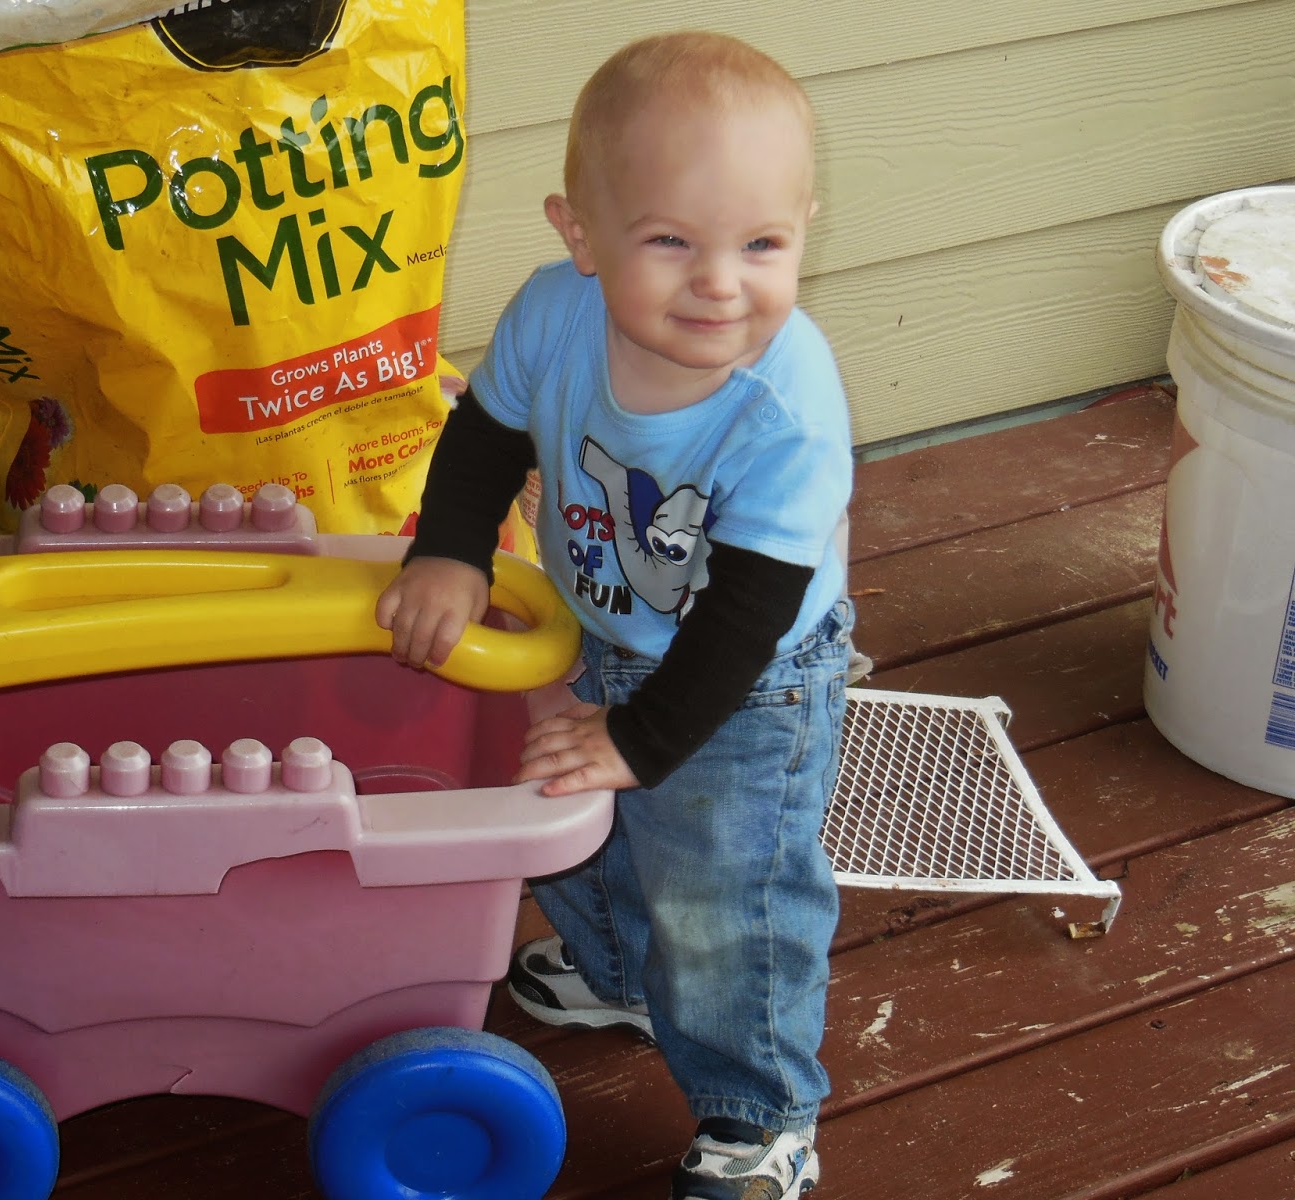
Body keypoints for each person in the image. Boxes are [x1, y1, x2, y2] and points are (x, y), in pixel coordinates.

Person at [375, 30, 852, 1200]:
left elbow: (747, 614)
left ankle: (760, 1114)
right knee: (572, 817)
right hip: (599, 623)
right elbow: (485, 433)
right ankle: (626, 977)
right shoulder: (553, 314)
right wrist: (451, 551)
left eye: (761, 244)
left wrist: (640, 740)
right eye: (670, 241)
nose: (720, 282)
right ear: (580, 237)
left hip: (749, 682)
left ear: (804, 232)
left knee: (721, 896)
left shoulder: (783, 404)